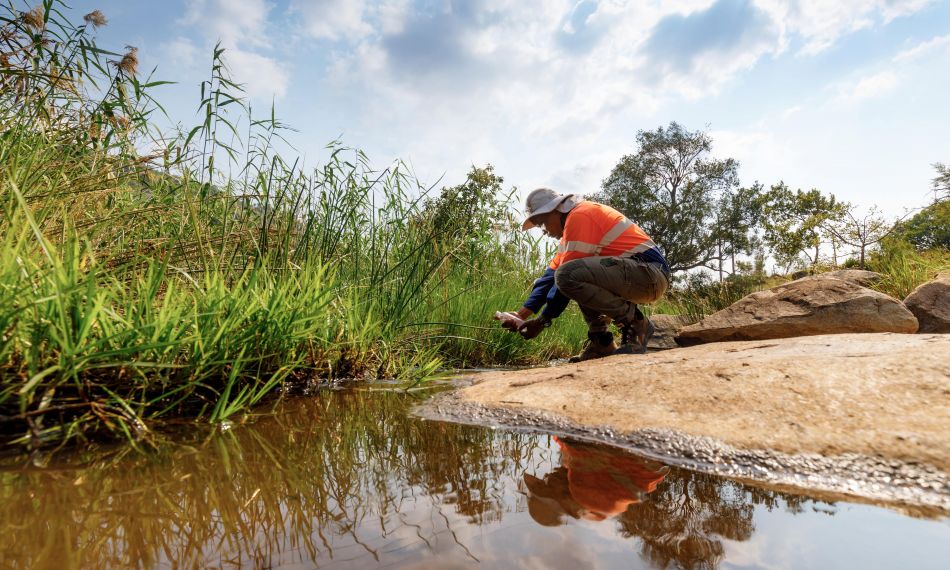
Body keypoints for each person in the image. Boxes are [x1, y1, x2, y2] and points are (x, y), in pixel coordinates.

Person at [502, 188, 670, 360]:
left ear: (555, 211)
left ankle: (636, 322)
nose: (544, 231)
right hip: (636, 275)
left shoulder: (580, 216)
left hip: (650, 275)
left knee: (571, 274)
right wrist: (520, 316)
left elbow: (563, 279)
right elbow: (549, 278)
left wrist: (542, 321)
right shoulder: (568, 237)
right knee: (574, 274)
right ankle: (601, 343)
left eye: (542, 223)